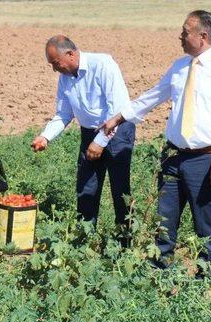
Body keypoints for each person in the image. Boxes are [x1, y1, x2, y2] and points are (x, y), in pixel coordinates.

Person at [101, 10, 211, 270]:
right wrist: (118, 118)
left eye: (185, 31)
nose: (180, 36)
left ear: (202, 36)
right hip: (172, 156)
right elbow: (154, 96)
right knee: (164, 220)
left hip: (205, 158)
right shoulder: (179, 67)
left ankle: (204, 277)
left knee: (205, 222)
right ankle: (160, 272)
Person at [30, 36, 135, 243]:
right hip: (90, 133)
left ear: (70, 54)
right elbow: (63, 114)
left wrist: (101, 141)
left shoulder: (103, 64)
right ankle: (83, 239)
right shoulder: (66, 77)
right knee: (86, 186)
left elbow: (118, 109)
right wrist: (45, 136)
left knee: (120, 188)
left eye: (55, 63)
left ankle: (125, 242)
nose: (54, 69)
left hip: (117, 131)